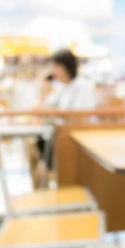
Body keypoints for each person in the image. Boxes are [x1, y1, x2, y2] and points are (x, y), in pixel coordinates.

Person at [29, 49, 96, 188]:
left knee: (36, 150)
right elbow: (43, 106)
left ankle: (46, 181)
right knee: (31, 147)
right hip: (59, 136)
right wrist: (44, 87)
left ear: (65, 67)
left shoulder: (83, 86)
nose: (52, 71)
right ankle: (42, 185)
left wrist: (50, 111)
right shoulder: (62, 88)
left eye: (55, 67)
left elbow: (77, 115)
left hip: (74, 139)